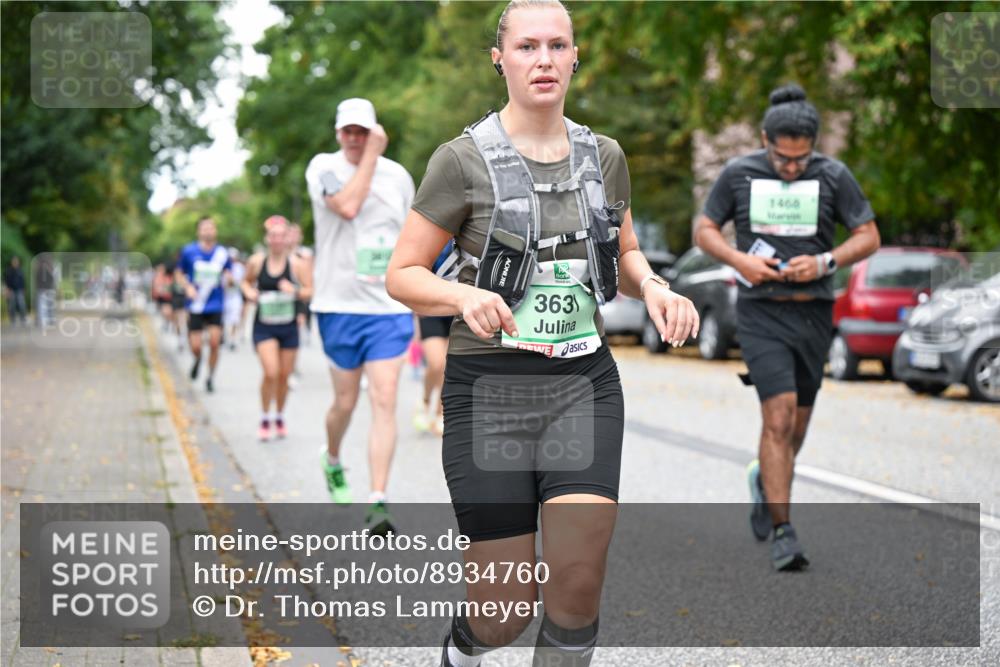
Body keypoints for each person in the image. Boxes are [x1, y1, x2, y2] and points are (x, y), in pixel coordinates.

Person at [385, 2, 698, 665]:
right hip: (489, 393)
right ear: (500, 57)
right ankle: (463, 649)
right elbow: (404, 273)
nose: (545, 59)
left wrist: (657, 288)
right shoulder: (460, 161)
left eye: (558, 45)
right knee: (503, 613)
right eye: (528, 46)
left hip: (581, 383)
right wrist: (463, 293)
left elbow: (627, 250)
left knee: (577, 586)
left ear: (576, 55)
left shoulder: (604, 157)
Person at [695, 83, 880, 571]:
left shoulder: (833, 176)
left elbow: (868, 235)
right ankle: (784, 532)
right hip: (761, 312)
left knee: (795, 429)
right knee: (776, 418)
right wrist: (740, 261)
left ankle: (765, 478)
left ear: (814, 147)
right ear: (765, 140)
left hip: (813, 313)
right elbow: (704, 230)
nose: (792, 167)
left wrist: (825, 262)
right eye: (783, 158)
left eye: (802, 158)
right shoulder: (739, 173)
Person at [305, 97, 416, 535]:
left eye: (362, 132)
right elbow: (347, 207)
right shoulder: (323, 168)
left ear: (374, 131)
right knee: (345, 403)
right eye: (348, 131)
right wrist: (371, 156)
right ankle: (332, 458)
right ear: (338, 134)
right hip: (338, 305)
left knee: (384, 398)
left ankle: (378, 501)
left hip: (387, 309)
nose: (354, 138)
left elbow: (412, 234)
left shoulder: (399, 178)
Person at [242, 216, 313, 441]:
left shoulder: (297, 264)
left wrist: (293, 290)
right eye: (273, 236)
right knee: (270, 372)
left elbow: (309, 291)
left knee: (283, 376)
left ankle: (279, 415)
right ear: (267, 238)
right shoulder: (256, 262)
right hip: (264, 326)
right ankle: (264, 417)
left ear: (287, 239)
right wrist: (249, 292)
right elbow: (245, 282)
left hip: (289, 326)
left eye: (281, 236)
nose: (277, 240)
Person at [175, 217, 233, 393]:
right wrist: (187, 287)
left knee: (215, 343)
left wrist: (230, 279)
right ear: (198, 231)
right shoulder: (188, 251)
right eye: (204, 228)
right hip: (196, 305)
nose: (208, 231)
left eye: (211, 228)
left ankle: (210, 377)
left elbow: (229, 274)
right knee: (196, 346)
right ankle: (198, 359)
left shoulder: (222, 253)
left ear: (215, 231)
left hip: (216, 304)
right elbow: (179, 273)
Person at [412, 240, 455, 436]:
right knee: (436, 363)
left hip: (457, 306)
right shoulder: (432, 232)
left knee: (448, 366)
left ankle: (440, 413)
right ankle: (425, 400)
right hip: (431, 307)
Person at [224, 247, 246, 351]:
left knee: (234, 318)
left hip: (235, 296)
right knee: (225, 319)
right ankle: (225, 337)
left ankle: (232, 339)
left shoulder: (239, 268)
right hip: (224, 296)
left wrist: (231, 280)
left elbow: (240, 282)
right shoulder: (223, 267)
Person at [3, 256, 28, 326]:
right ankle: (12, 320)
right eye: (14, 261)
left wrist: (24, 289)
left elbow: (23, 281)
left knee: (22, 304)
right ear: (12, 262)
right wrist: (7, 290)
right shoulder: (8, 271)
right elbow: (5, 281)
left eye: (16, 261)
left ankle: (23, 319)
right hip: (11, 290)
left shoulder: (20, 271)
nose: (15, 263)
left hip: (20, 290)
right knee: (12, 306)